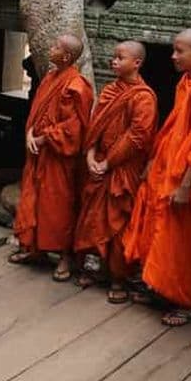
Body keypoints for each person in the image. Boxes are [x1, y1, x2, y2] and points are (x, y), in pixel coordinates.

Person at [123, 29, 191, 325]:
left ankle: (186, 302)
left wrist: (187, 184)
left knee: (184, 246)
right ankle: (160, 290)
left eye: (180, 51)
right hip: (169, 171)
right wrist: (155, 160)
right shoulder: (186, 82)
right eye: (174, 50)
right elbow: (174, 128)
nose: (173, 56)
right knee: (162, 237)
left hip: (188, 180)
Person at [73, 41, 158, 304]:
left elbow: (138, 136)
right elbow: (95, 125)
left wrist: (109, 162)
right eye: (113, 57)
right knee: (93, 217)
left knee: (119, 222)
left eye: (120, 58)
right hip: (99, 163)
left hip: (123, 168)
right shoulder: (110, 90)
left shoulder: (144, 97)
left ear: (137, 63)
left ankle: (119, 277)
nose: (114, 62)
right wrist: (89, 155)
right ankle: (98, 267)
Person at [9, 35, 94, 281]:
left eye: (56, 46)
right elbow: (36, 112)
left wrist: (44, 138)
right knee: (35, 201)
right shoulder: (49, 77)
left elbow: (75, 126)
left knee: (59, 207)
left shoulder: (77, 86)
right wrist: (29, 134)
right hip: (38, 153)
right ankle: (36, 250)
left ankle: (65, 257)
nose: (51, 48)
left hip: (59, 157)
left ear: (66, 56)